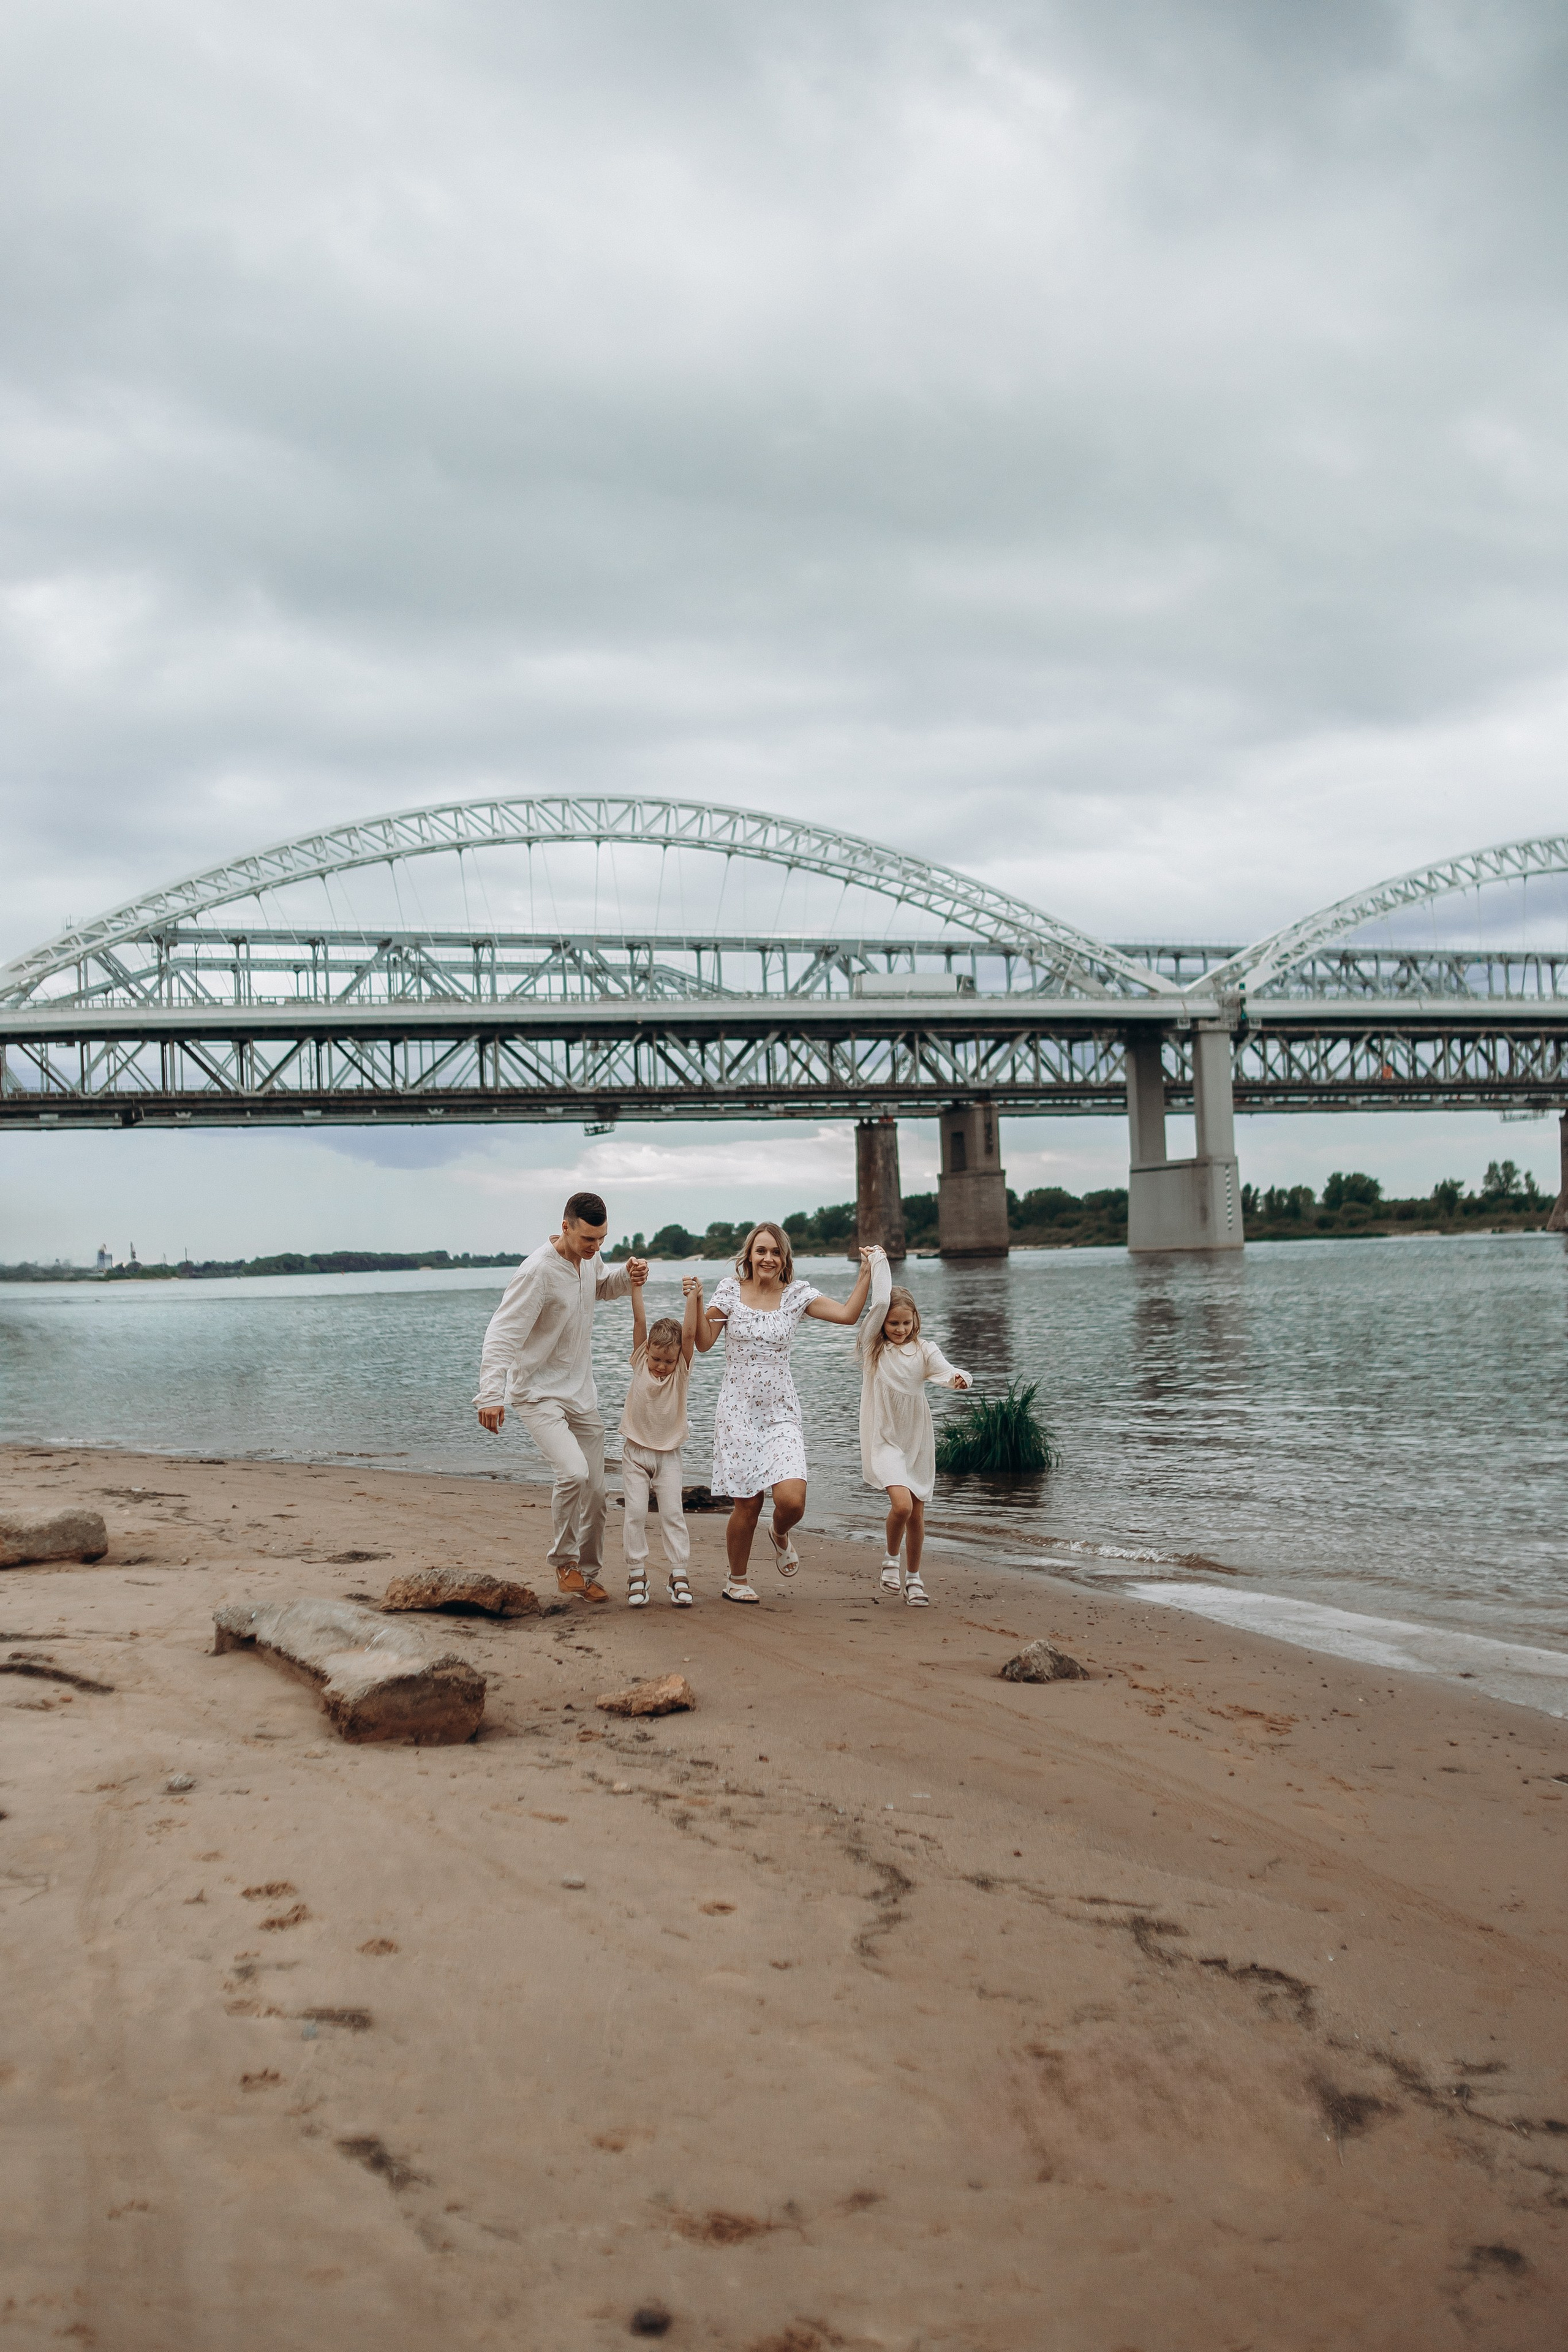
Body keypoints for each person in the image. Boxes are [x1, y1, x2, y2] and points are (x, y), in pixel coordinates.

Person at [473, 1193, 646, 1604]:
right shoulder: (537, 1272)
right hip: (537, 1392)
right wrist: (489, 1395)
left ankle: (586, 1576)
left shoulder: (589, 1259)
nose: (595, 1248)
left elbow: (599, 1288)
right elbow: (503, 1334)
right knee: (573, 1473)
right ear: (565, 1226)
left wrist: (628, 1274)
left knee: (598, 1494)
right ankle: (564, 1563)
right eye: (589, 1239)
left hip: (581, 1392)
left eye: (602, 1239)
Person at [696, 1221, 874, 1605]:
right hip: (737, 1412)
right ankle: (737, 1580)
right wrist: (694, 1302)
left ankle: (779, 1533)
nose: (768, 1258)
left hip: (781, 1412)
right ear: (749, 1255)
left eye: (775, 1252)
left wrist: (866, 1275)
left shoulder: (796, 1296)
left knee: (792, 1500)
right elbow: (704, 1343)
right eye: (761, 1251)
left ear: (785, 1258)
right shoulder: (729, 1291)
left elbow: (847, 1315)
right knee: (748, 1502)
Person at [857, 1249, 971, 1606]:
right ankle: (891, 1560)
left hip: (918, 1442)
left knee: (918, 1513)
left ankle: (915, 1579)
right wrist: (878, 1263)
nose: (901, 1329)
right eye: (894, 1324)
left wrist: (959, 1379)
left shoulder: (924, 1349)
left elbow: (946, 1371)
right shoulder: (872, 1350)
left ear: (915, 1320)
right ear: (883, 1325)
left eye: (906, 1323)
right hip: (886, 1441)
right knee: (902, 1507)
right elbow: (877, 1304)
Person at [619, 1267, 703, 1608]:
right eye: (656, 1359)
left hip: (668, 1456)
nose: (660, 1366)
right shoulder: (641, 1358)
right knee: (635, 1513)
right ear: (647, 1352)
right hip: (635, 1452)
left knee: (673, 1515)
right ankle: (636, 1572)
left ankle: (678, 1573)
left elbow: (690, 1335)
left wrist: (693, 1297)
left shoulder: (681, 1368)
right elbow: (640, 1319)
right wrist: (636, 1287)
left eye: (667, 1361)